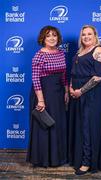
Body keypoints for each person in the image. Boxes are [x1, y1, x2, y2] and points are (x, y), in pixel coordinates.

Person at [69, 25, 101, 175]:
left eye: (89, 34)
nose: (86, 37)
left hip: (92, 95)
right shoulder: (80, 51)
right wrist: (71, 87)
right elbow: (74, 72)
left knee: (88, 128)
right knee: (81, 127)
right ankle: (80, 157)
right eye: (83, 35)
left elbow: (98, 77)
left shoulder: (98, 51)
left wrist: (80, 91)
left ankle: (87, 162)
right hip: (77, 94)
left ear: (95, 35)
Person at [26, 25, 69, 167]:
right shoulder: (39, 55)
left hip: (58, 93)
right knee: (44, 125)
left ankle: (58, 158)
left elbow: (64, 74)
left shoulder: (61, 53)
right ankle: (43, 159)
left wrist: (66, 91)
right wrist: (41, 100)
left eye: (54, 35)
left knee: (57, 124)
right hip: (43, 93)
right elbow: (35, 78)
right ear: (43, 39)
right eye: (48, 35)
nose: (52, 38)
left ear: (58, 38)